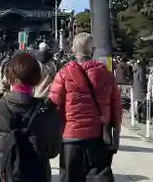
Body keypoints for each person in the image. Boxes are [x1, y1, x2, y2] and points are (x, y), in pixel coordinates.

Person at [0, 50, 62, 182]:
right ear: (36, 78)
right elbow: (53, 151)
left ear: (10, 77)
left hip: (1, 175)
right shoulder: (46, 111)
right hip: (37, 175)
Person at [49, 33, 122, 182]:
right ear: (93, 50)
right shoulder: (106, 75)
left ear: (74, 50)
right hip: (98, 136)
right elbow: (116, 107)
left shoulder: (63, 74)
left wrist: (55, 134)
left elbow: (54, 106)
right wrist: (116, 134)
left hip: (71, 137)